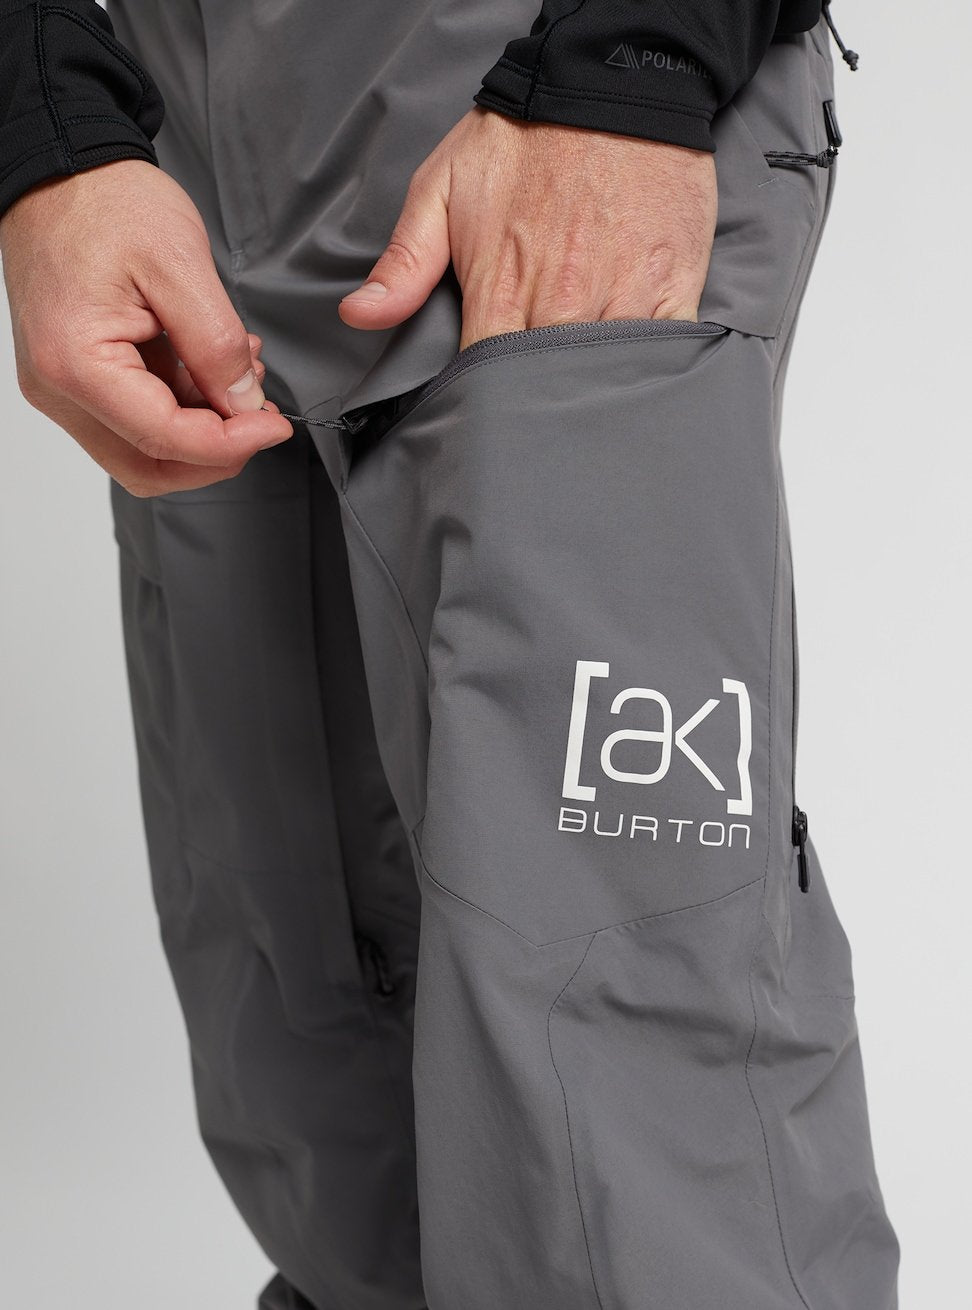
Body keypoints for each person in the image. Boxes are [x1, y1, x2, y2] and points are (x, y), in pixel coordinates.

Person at [0, 2, 899, 1306]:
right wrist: (44, 120)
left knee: (627, 1129)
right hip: (171, 165)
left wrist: (637, 51)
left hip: (533, 107)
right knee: (321, 1094)